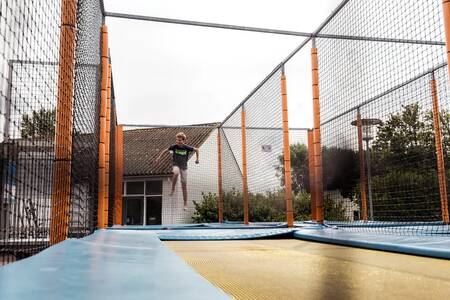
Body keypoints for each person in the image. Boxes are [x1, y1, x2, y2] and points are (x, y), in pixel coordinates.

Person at [156, 132, 199, 210]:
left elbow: (196, 150)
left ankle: (185, 204)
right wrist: (159, 157)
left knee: (184, 186)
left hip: (184, 167)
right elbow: (165, 150)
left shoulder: (186, 147)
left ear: (183, 141)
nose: (178, 142)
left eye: (180, 140)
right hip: (176, 164)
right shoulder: (174, 147)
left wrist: (197, 159)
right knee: (176, 172)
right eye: (177, 140)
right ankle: (173, 189)